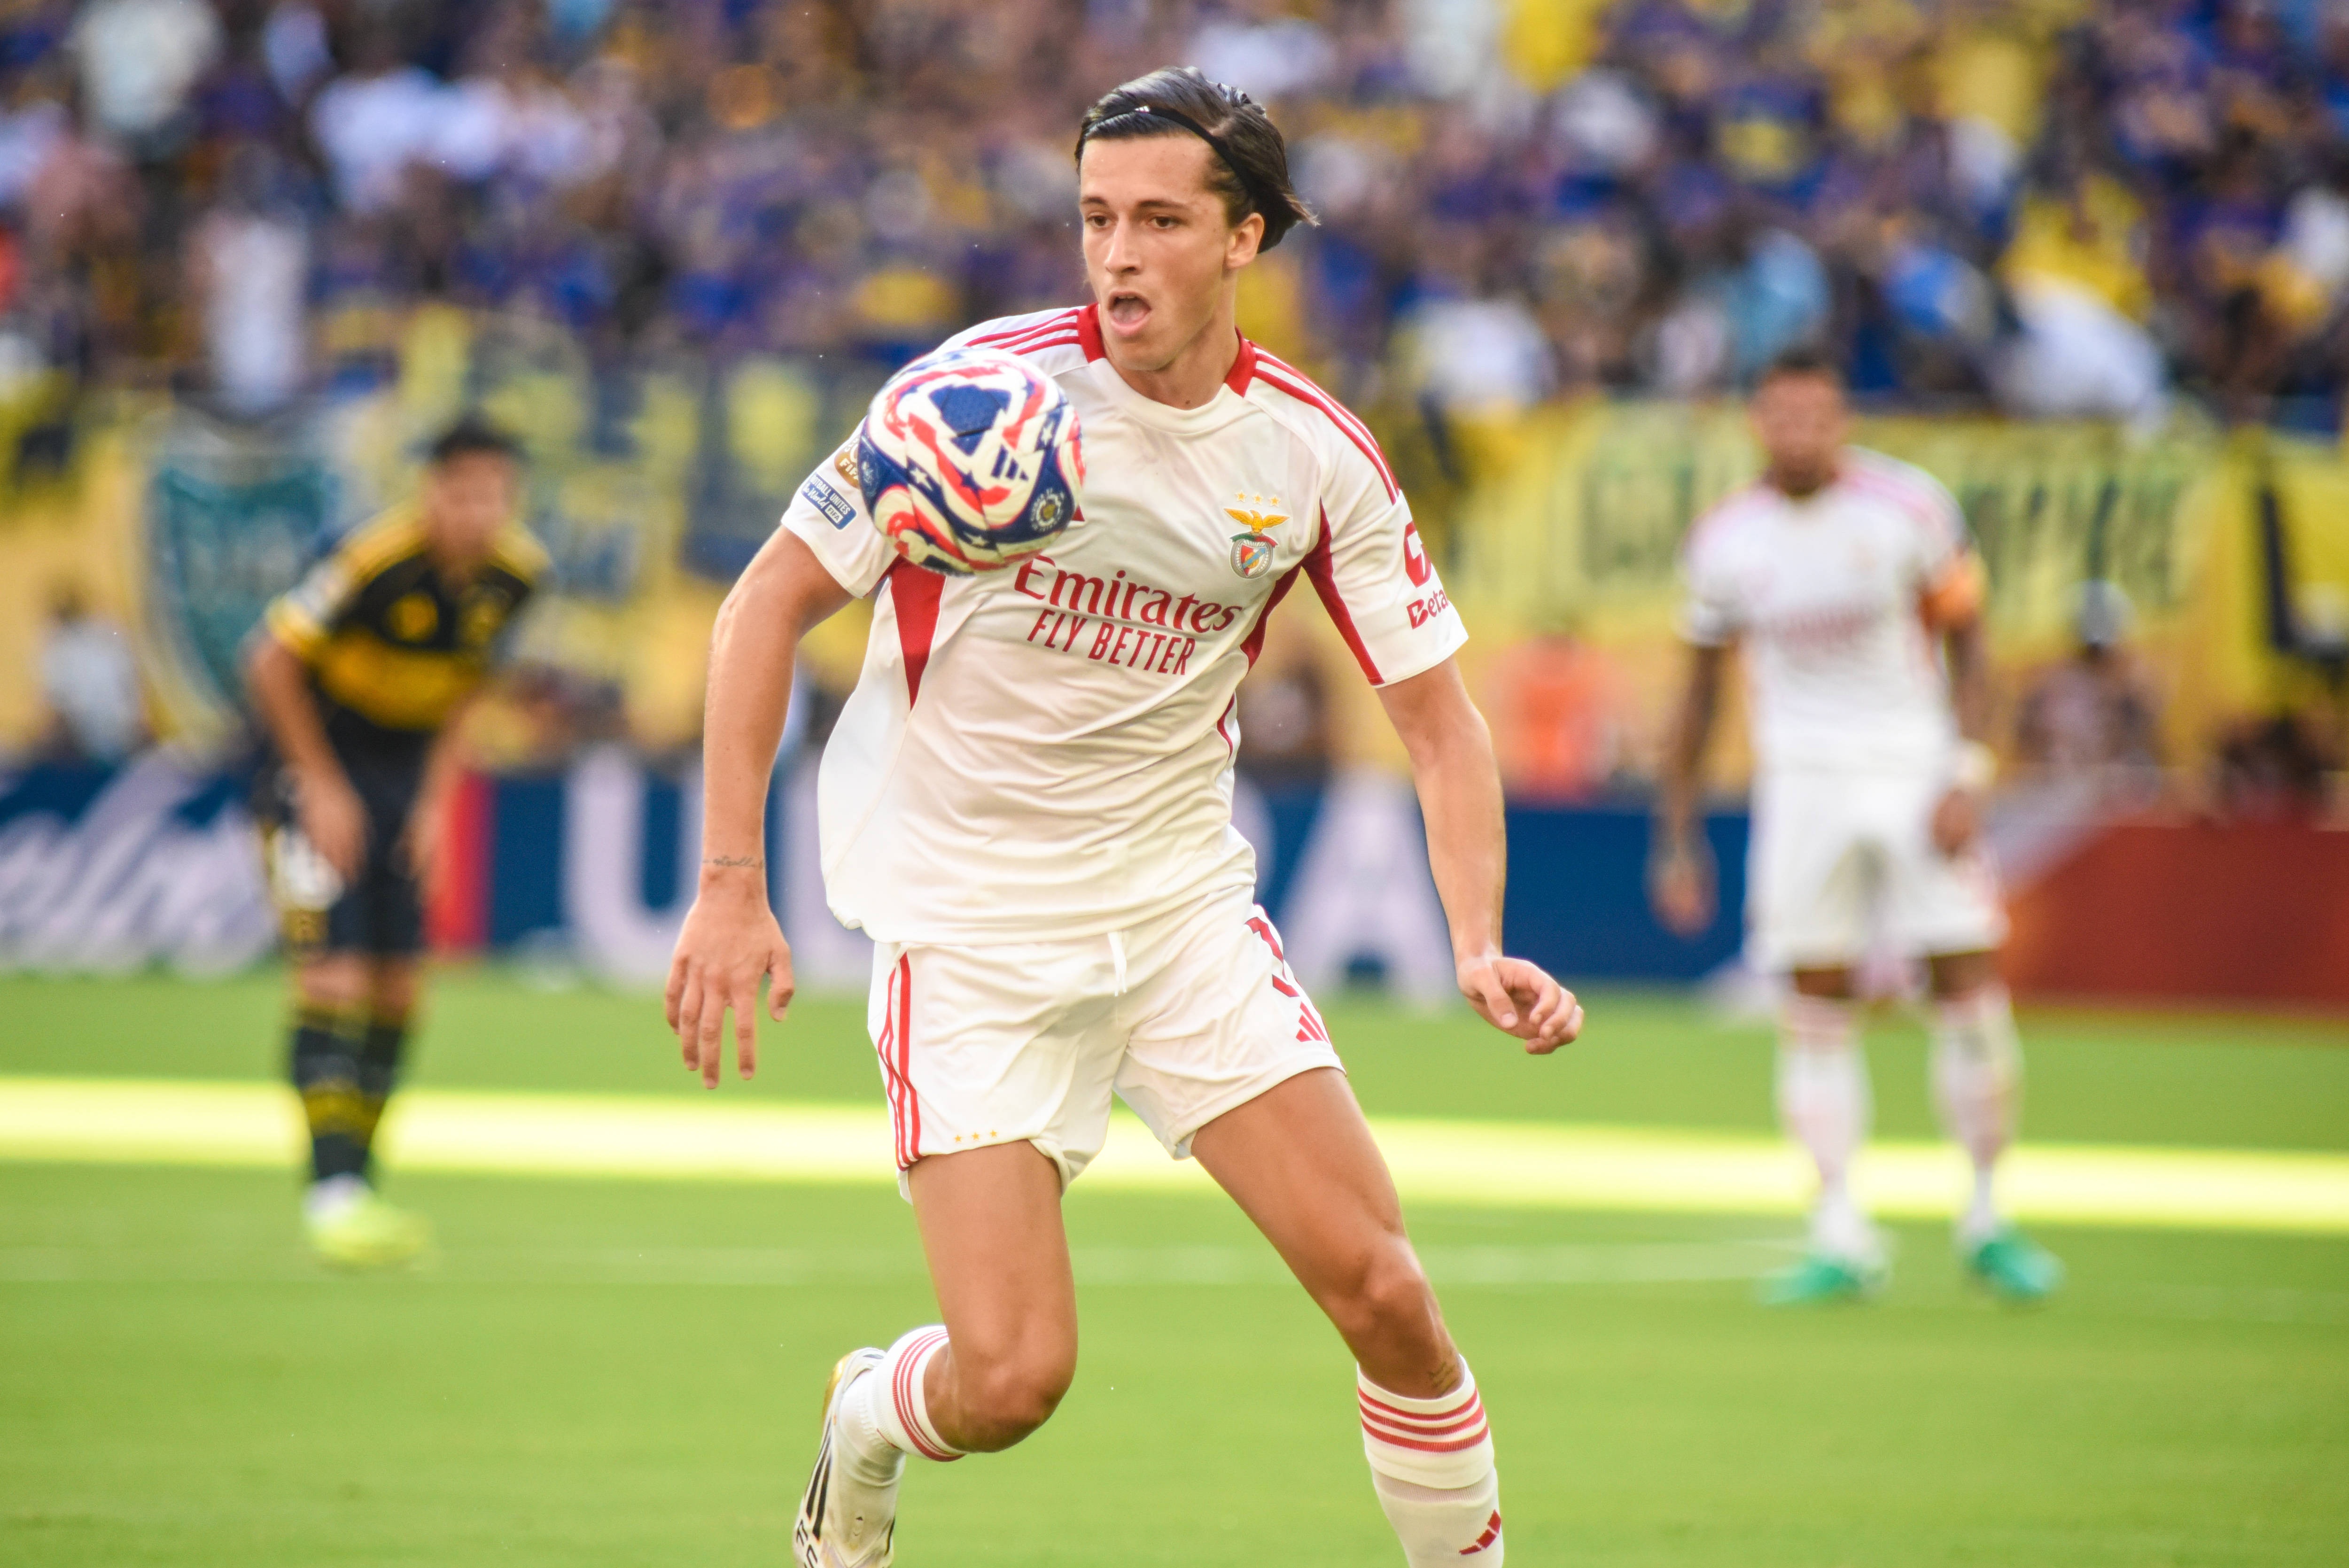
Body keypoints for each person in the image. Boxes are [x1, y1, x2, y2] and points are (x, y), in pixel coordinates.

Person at [665, 68, 1580, 1568]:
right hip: (969, 929)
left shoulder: (1311, 456)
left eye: (1160, 220)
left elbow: (1438, 721)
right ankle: (867, 1416)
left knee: (1390, 1295)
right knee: (1012, 1381)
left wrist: (1476, 940)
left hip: (1175, 918)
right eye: (1096, 218)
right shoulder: (973, 403)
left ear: (1246, 237)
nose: (1117, 255)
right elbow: (763, 606)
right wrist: (727, 882)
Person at [1649, 349, 2063, 1307]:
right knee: (1813, 999)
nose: (1799, 432)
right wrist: (1676, 833)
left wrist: (1968, 772)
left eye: (1816, 415)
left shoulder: (1908, 510)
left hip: (1913, 769)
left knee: (1965, 978)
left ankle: (1988, 1216)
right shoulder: (1725, 540)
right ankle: (1839, 1230)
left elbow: (1975, 647)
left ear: (1842, 421)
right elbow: (1698, 695)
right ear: (1757, 423)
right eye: (1782, 415)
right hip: (1800, 784)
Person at [244, 418, 544, 1267]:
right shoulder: (373, 561)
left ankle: (358, 1188)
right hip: (312, 770)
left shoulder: (518, 577)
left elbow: (469, 687)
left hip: (401, 784)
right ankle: (332, 1194)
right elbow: (268, 660)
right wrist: (319, 783)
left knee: (401, 991)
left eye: (494, 495)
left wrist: (436, 805)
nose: (478, 512)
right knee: (333, 975)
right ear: (431, 492)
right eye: (463, 493)